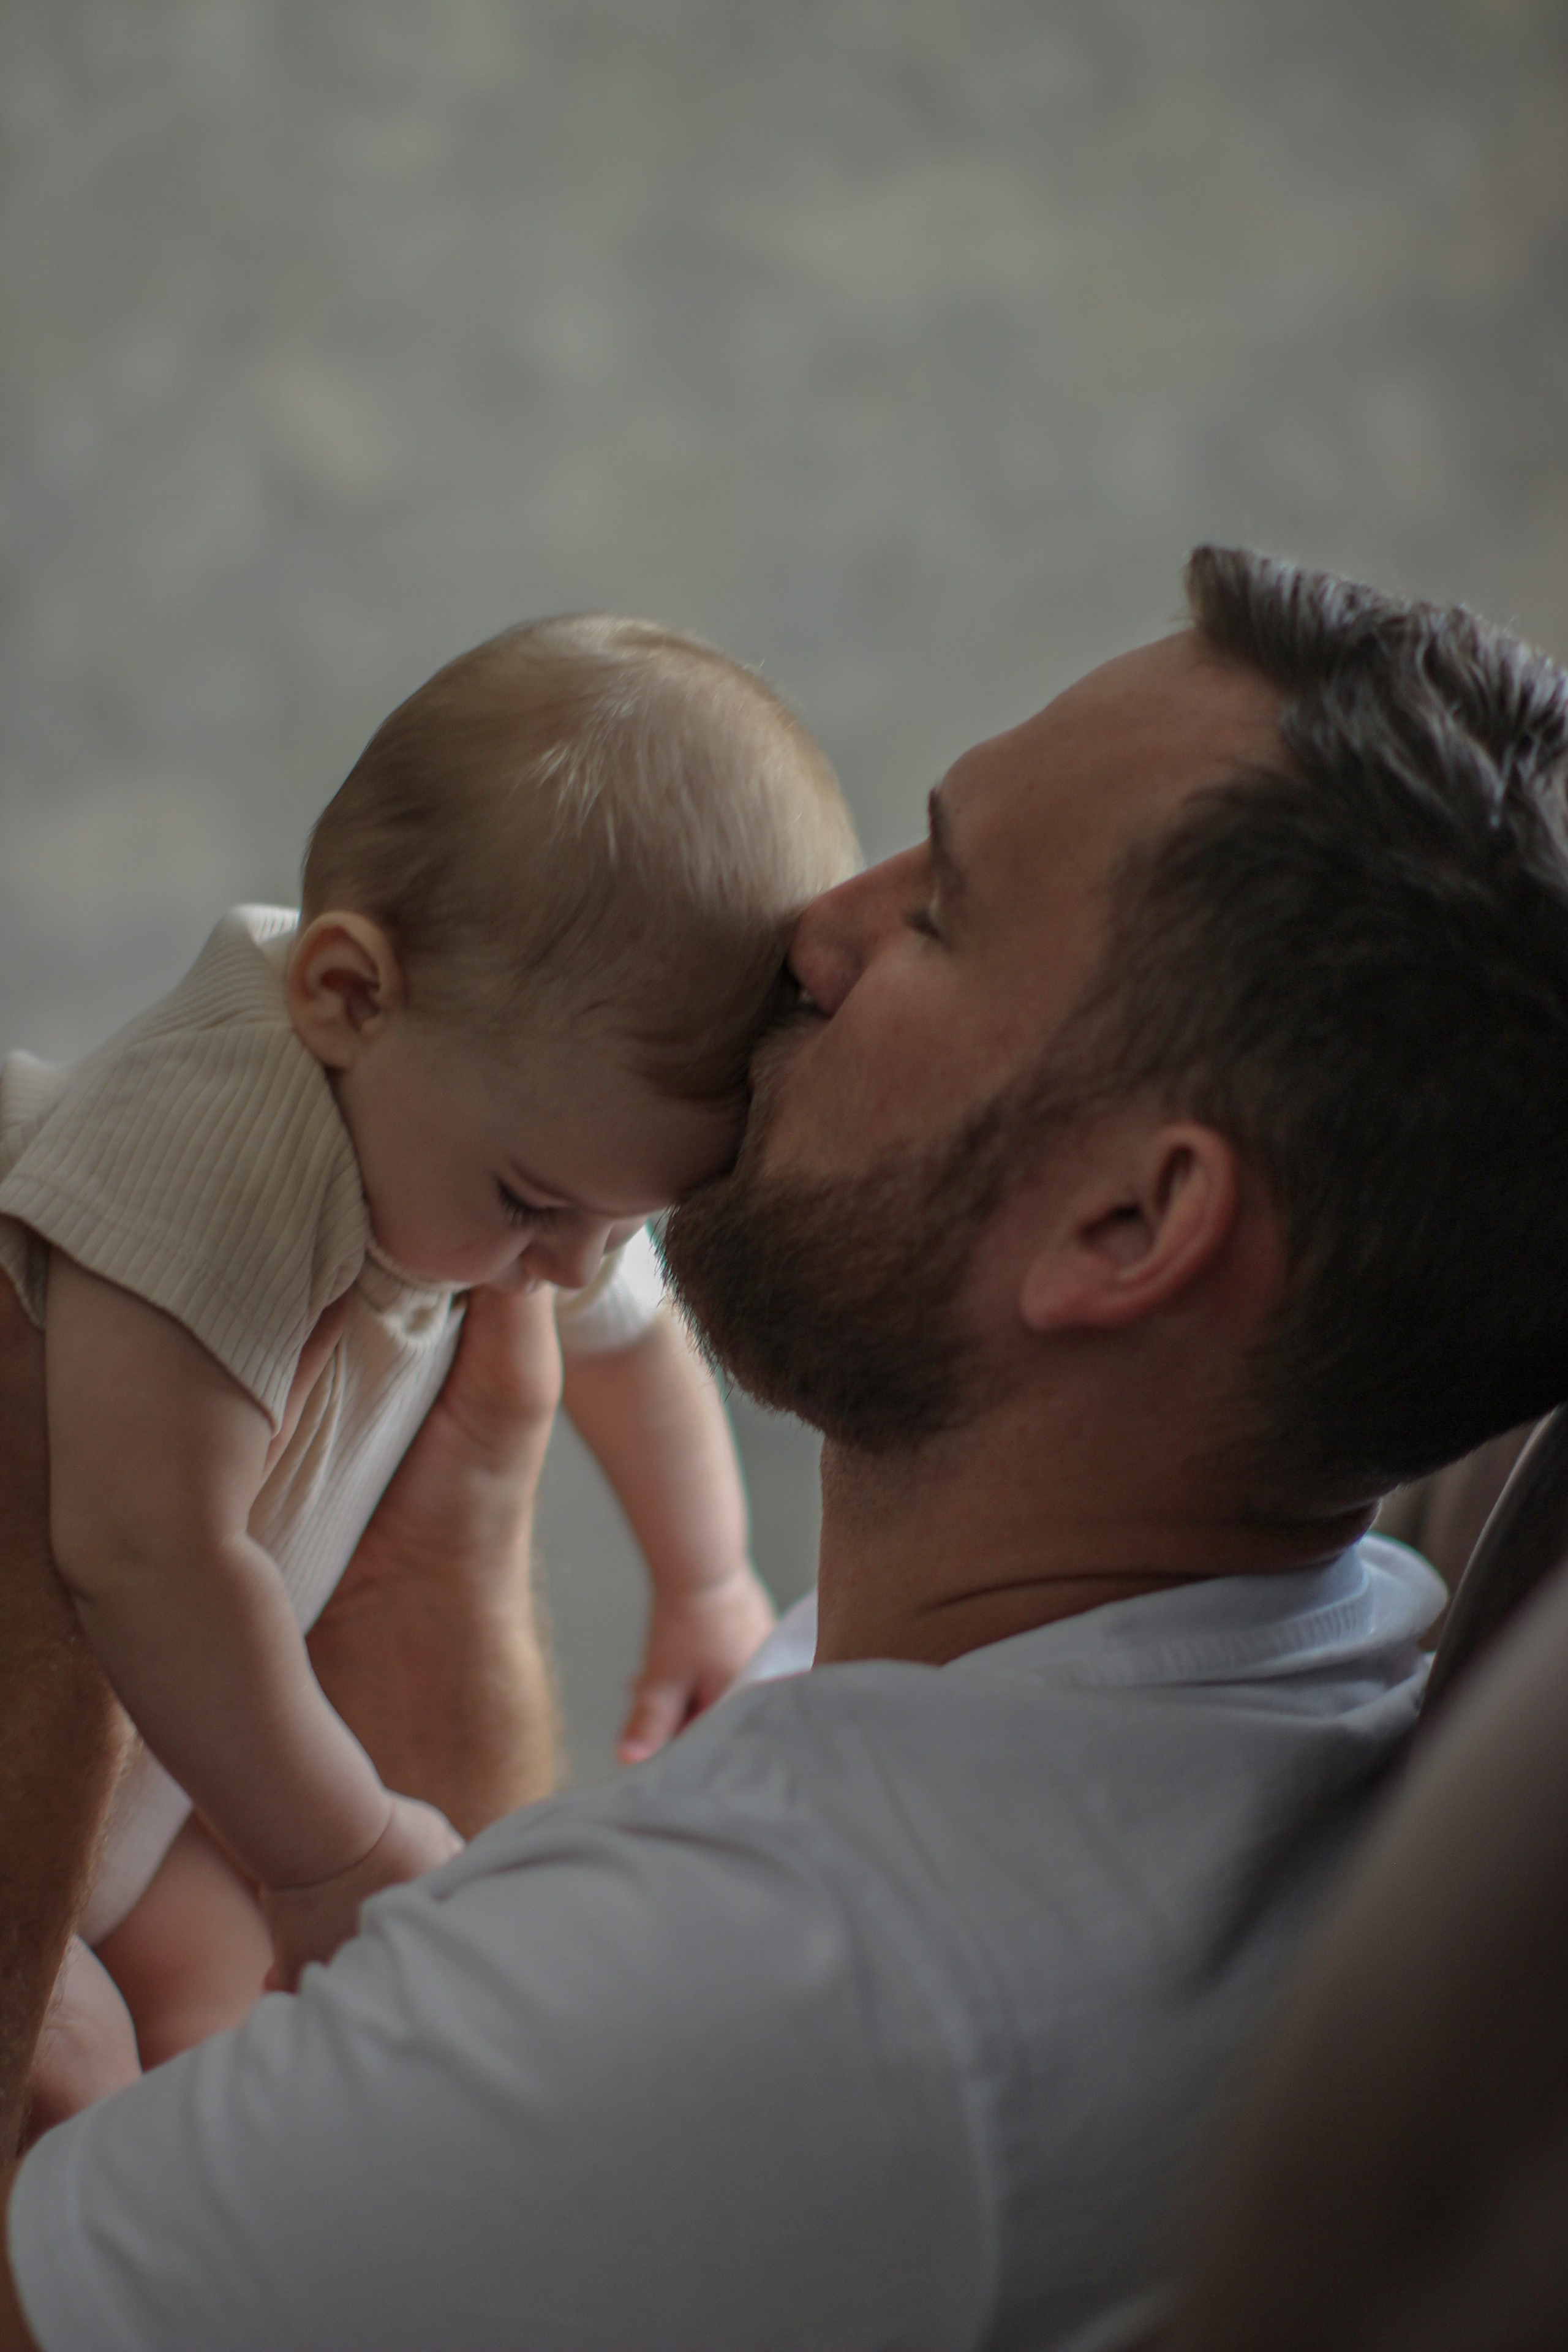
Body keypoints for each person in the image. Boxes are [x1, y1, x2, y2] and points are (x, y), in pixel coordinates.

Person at [4, 546, 1568, 2350]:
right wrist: (461, 1566)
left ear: (1130, 1228)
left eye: (941, 910)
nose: (814, 927)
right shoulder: (1269, 1664)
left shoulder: (802, 1992)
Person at [0, 614, 858, 2108]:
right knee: (63, 2060)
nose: (578, 1269)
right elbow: (145, 1551)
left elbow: (630, 1339)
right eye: (541, 1211)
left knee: (230, 2019)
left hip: (138, 1790)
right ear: (345, 995)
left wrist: (704, 1577)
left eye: (625, 1219)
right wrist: (333, 1842)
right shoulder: (212, 1135)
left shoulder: (511, 1131)